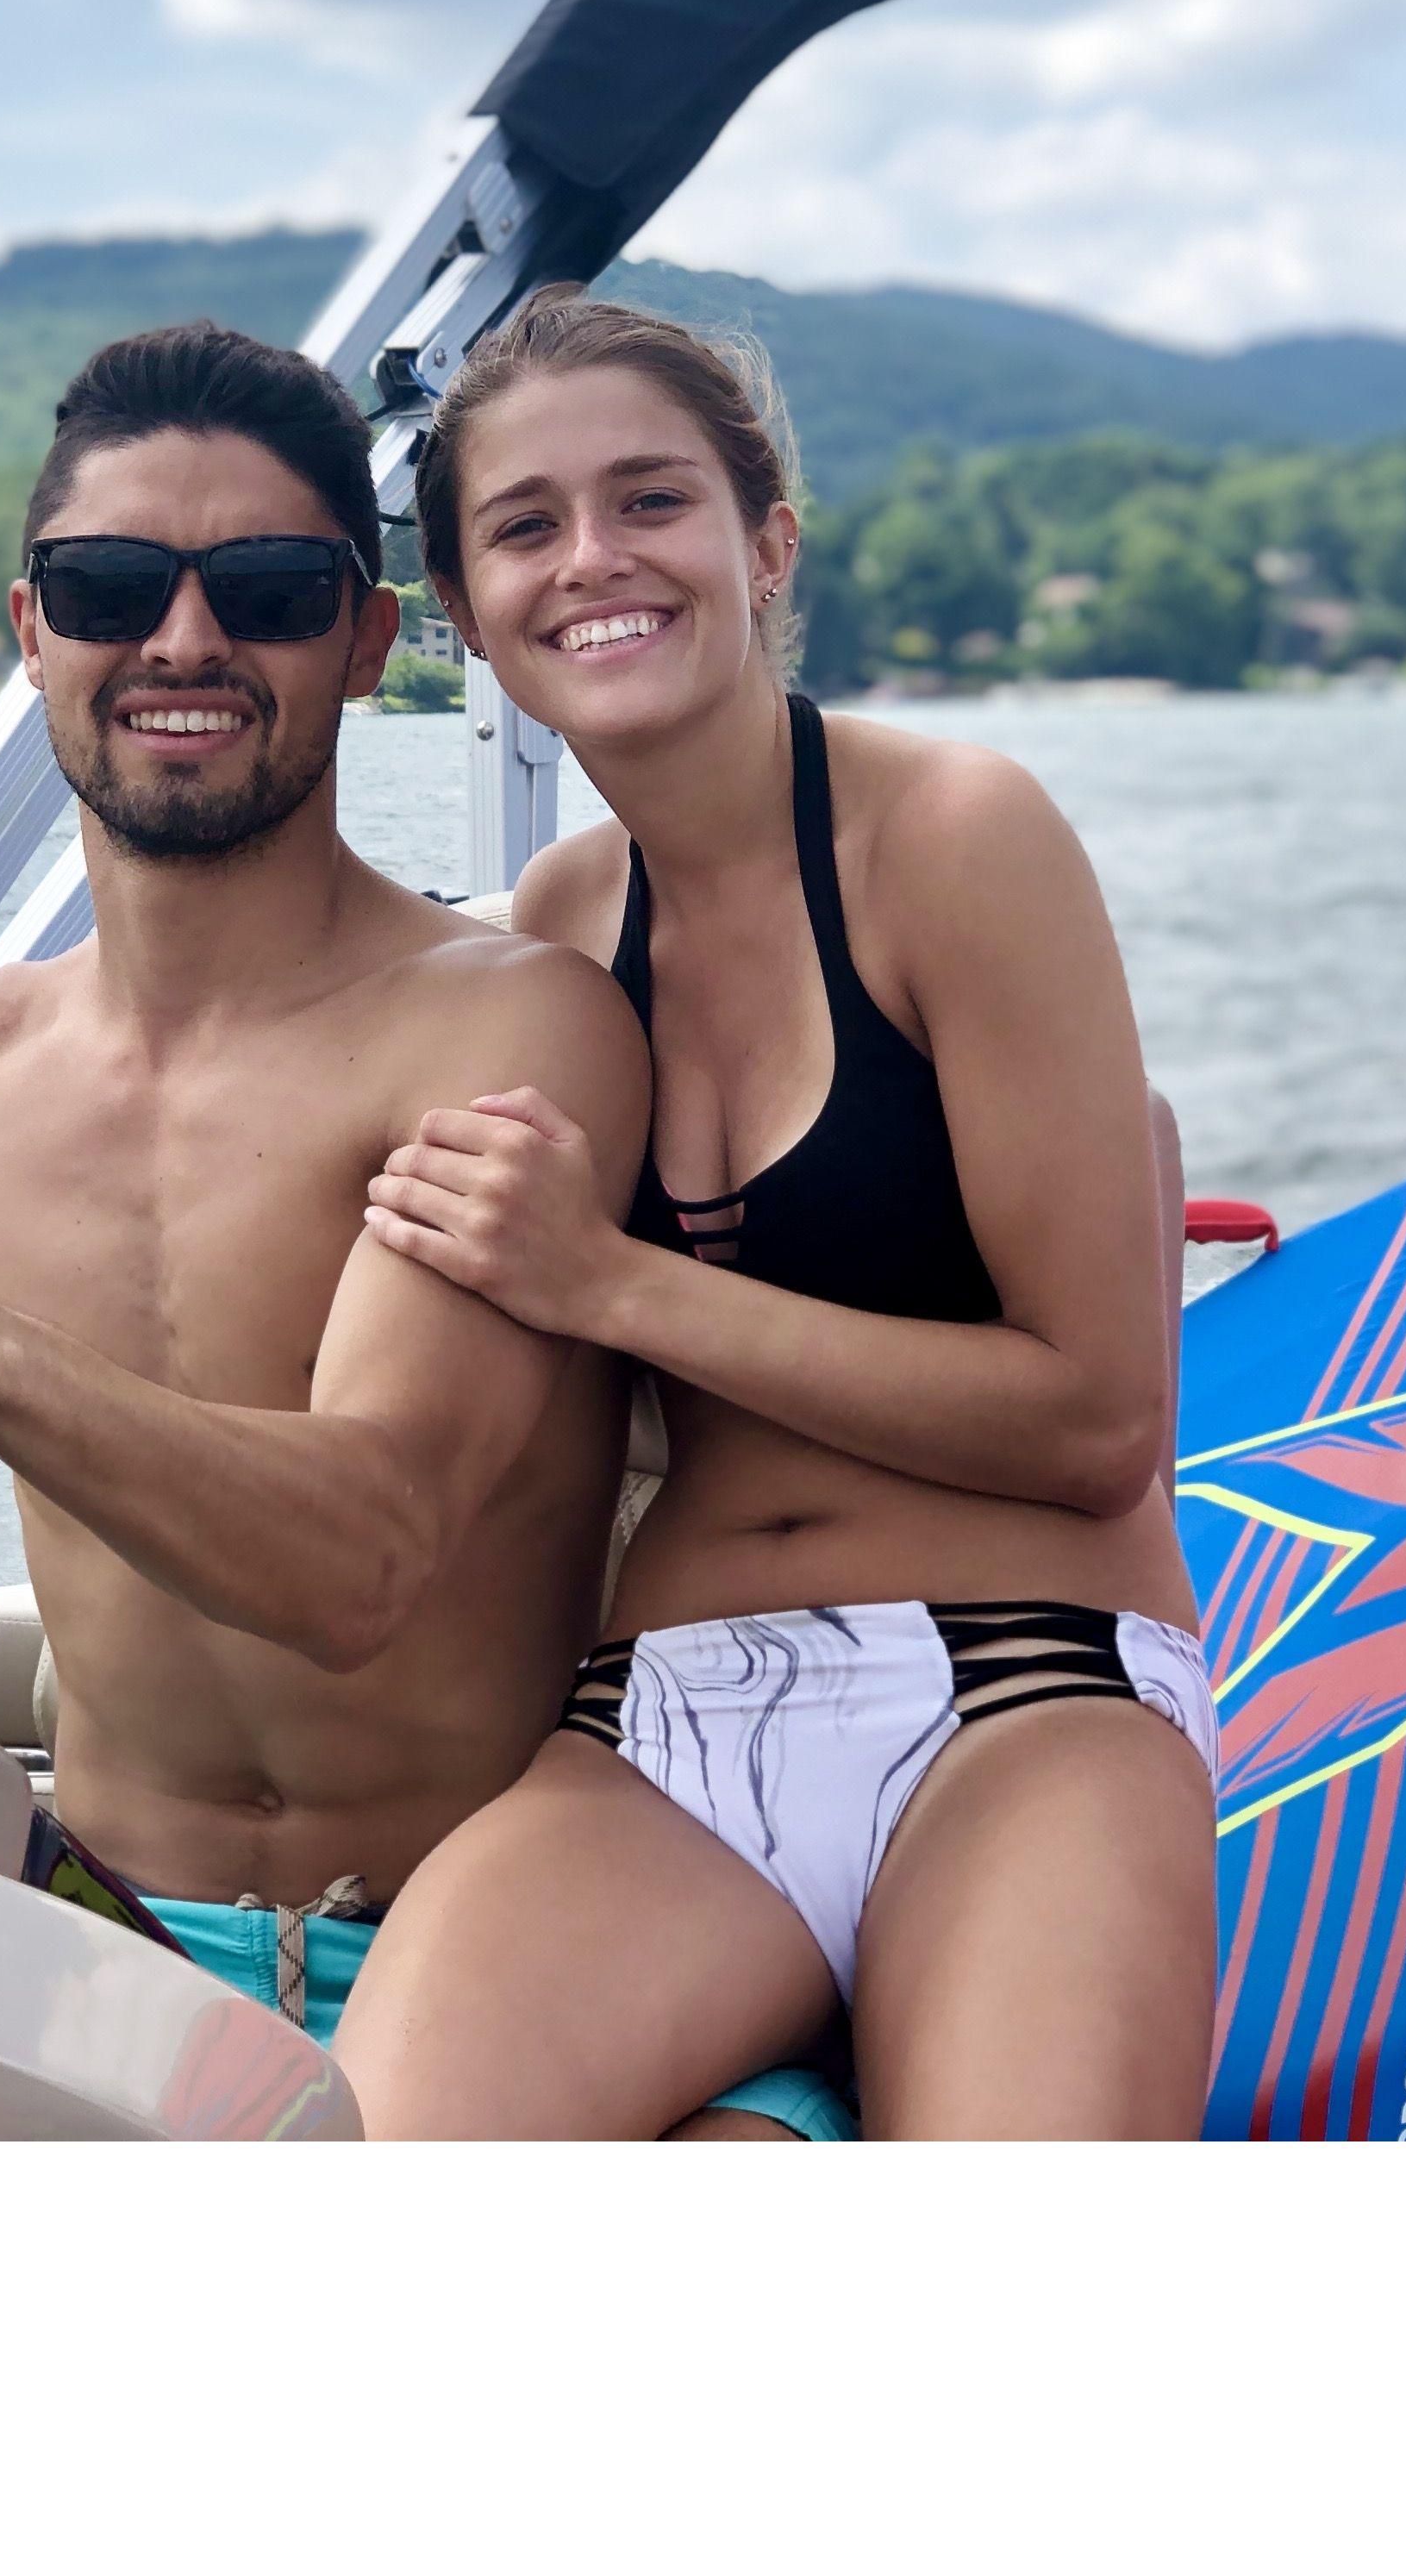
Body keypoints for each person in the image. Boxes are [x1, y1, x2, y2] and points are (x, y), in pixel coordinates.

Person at [0, 319, 854, 2136]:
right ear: (34, 636)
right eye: (108, 588)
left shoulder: (509, 1027)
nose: (182, 642)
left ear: (364, 640)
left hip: (506, 1977)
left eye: (261, 588)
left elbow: (364, 1559)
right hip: (90, 1959)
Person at [334, 292, 1215, 2139]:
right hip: (659, 1731)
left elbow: (1097, 1419)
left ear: (765, 541)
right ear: (465, 613)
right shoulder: (550, 942)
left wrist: (611, 1280)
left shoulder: (954, 837)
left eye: (651, 500)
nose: (596, 560)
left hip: (1024, 1690)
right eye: (524, 527)